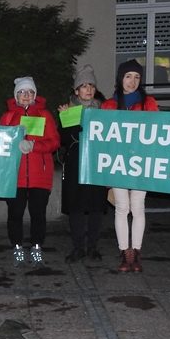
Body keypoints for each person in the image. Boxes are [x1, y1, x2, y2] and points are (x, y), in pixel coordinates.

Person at [101, 59, 159, 272]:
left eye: (137, 77)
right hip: (117, 163)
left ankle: (136, 251)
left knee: (138, 207)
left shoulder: (149, 103)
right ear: (120, 78)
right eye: (128, 76)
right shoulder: (109, 105)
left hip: (140, 162)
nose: (132, 81)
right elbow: (103, 137)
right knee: (121, 207)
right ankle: (125, 252)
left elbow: (157, 133)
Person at [0, 77, 59, 267]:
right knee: (15, 215)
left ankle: (36, 247)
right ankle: (17, 247)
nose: (26, 95)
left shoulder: (44, 115)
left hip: (39, 176)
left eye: (30, 92)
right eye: (23, 92)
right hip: (14, 177)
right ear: (16, 94)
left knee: (38, 215)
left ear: (35, 95)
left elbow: (54, 142)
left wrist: (34, 145)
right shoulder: (7, 117)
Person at [57, 65, 108, 263]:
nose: (88, 90)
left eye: (91, 86)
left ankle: (93, 247)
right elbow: (65, 139)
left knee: (96, 207)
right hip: (75, 165)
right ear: (76, 91)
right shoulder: (68, 110)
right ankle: (78, 247)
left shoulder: (103, 111)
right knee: (76, 207)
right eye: (84, 86)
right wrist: (68, 119)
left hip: (96, 163)